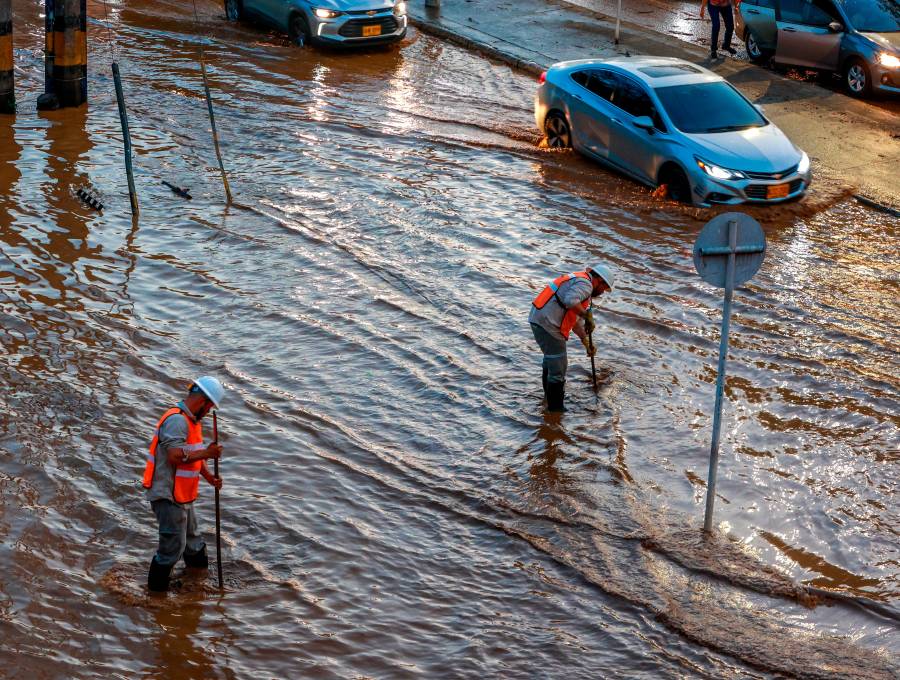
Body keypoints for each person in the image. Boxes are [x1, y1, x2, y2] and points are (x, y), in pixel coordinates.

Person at [143, 376, 225, 592]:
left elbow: (193, 455)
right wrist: (207, 452)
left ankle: (197, 583)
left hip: (183, 494)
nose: (208, 413)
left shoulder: (192, 422)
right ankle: (155, 596)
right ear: (204, 402)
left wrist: (208, 477)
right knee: (172, 548)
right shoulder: (177, 421)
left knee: (193, 543)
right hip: (168, 495)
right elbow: (174, 456)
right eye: (209, 408)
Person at [529, 264, 614, 412]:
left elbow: (573, 318)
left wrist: (585, 341)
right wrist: (586, 315)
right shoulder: (586, 284)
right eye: (604, 289)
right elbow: (570, 301)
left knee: (551, 361)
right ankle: (556, 410)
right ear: (600, 281)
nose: (602, 293)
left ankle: (548, 400)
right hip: (549, 324)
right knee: (558, 367)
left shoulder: (579, 280)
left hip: (540, 320)